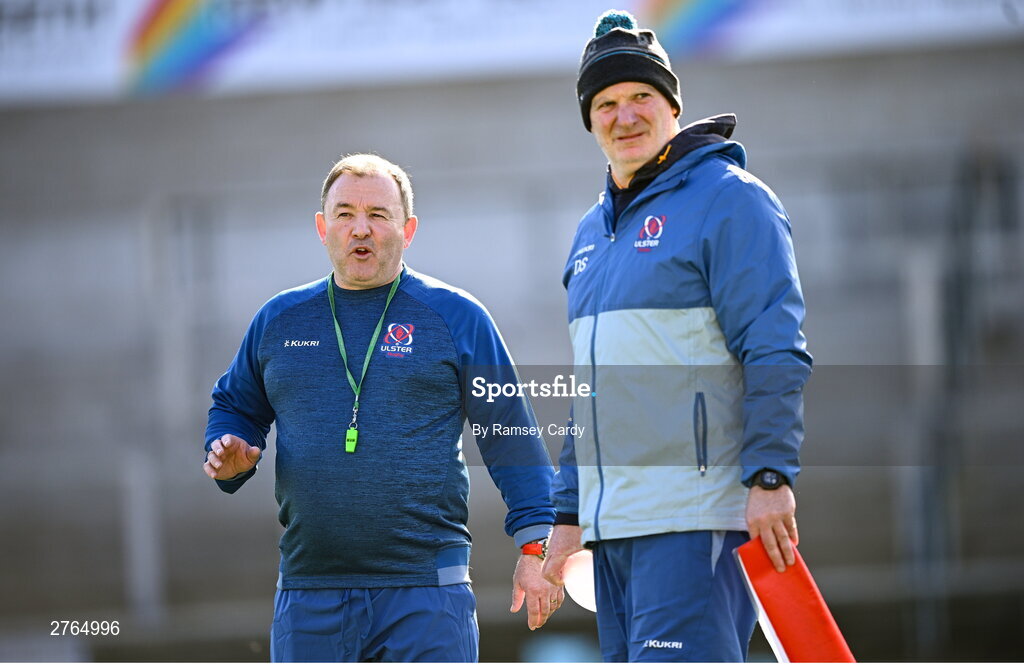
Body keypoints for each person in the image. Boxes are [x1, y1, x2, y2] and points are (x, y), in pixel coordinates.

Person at [204, 153, 562, 662]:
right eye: (345, 213)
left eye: (379, 215)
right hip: (311, 593)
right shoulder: (280, 320)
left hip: (427, 593)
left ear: (408, 229)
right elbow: (234, 408)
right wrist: (230, 455)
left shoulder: (456, 316)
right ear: (322, 227)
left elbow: (511, 437)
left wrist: (535, 548)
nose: (360, 229)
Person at [540, 10, 813, 663]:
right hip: (611, 537)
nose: (624, 115)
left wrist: (770, 473)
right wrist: (568, 514)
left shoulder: (731, 200)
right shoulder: (590, 236)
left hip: (695, 524)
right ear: (590, 120)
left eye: (641, 97)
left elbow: (775, 347)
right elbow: (592, 392)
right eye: (606, 103)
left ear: (672, 106)